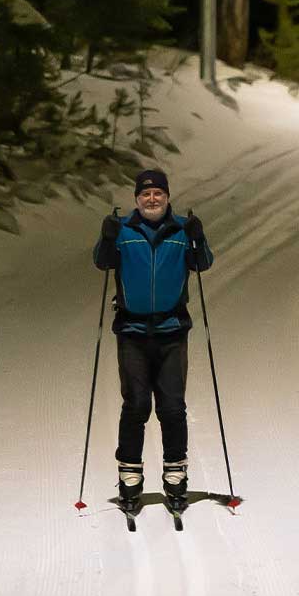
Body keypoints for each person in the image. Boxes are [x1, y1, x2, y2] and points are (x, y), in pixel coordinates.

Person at [94, 168, 213, 510]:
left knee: (172, 407)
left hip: (172, 330)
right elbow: (102, 263)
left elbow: (202, 264)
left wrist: (198, 236)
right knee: (136, 405)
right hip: (132, 331)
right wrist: (106, 237)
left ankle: (175, 476)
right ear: (136, 199)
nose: (151, 199)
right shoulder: (124, 231)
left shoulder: (180, 231)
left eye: (158, 193)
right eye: (145, 194)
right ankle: (130, 477)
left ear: (167, 197)